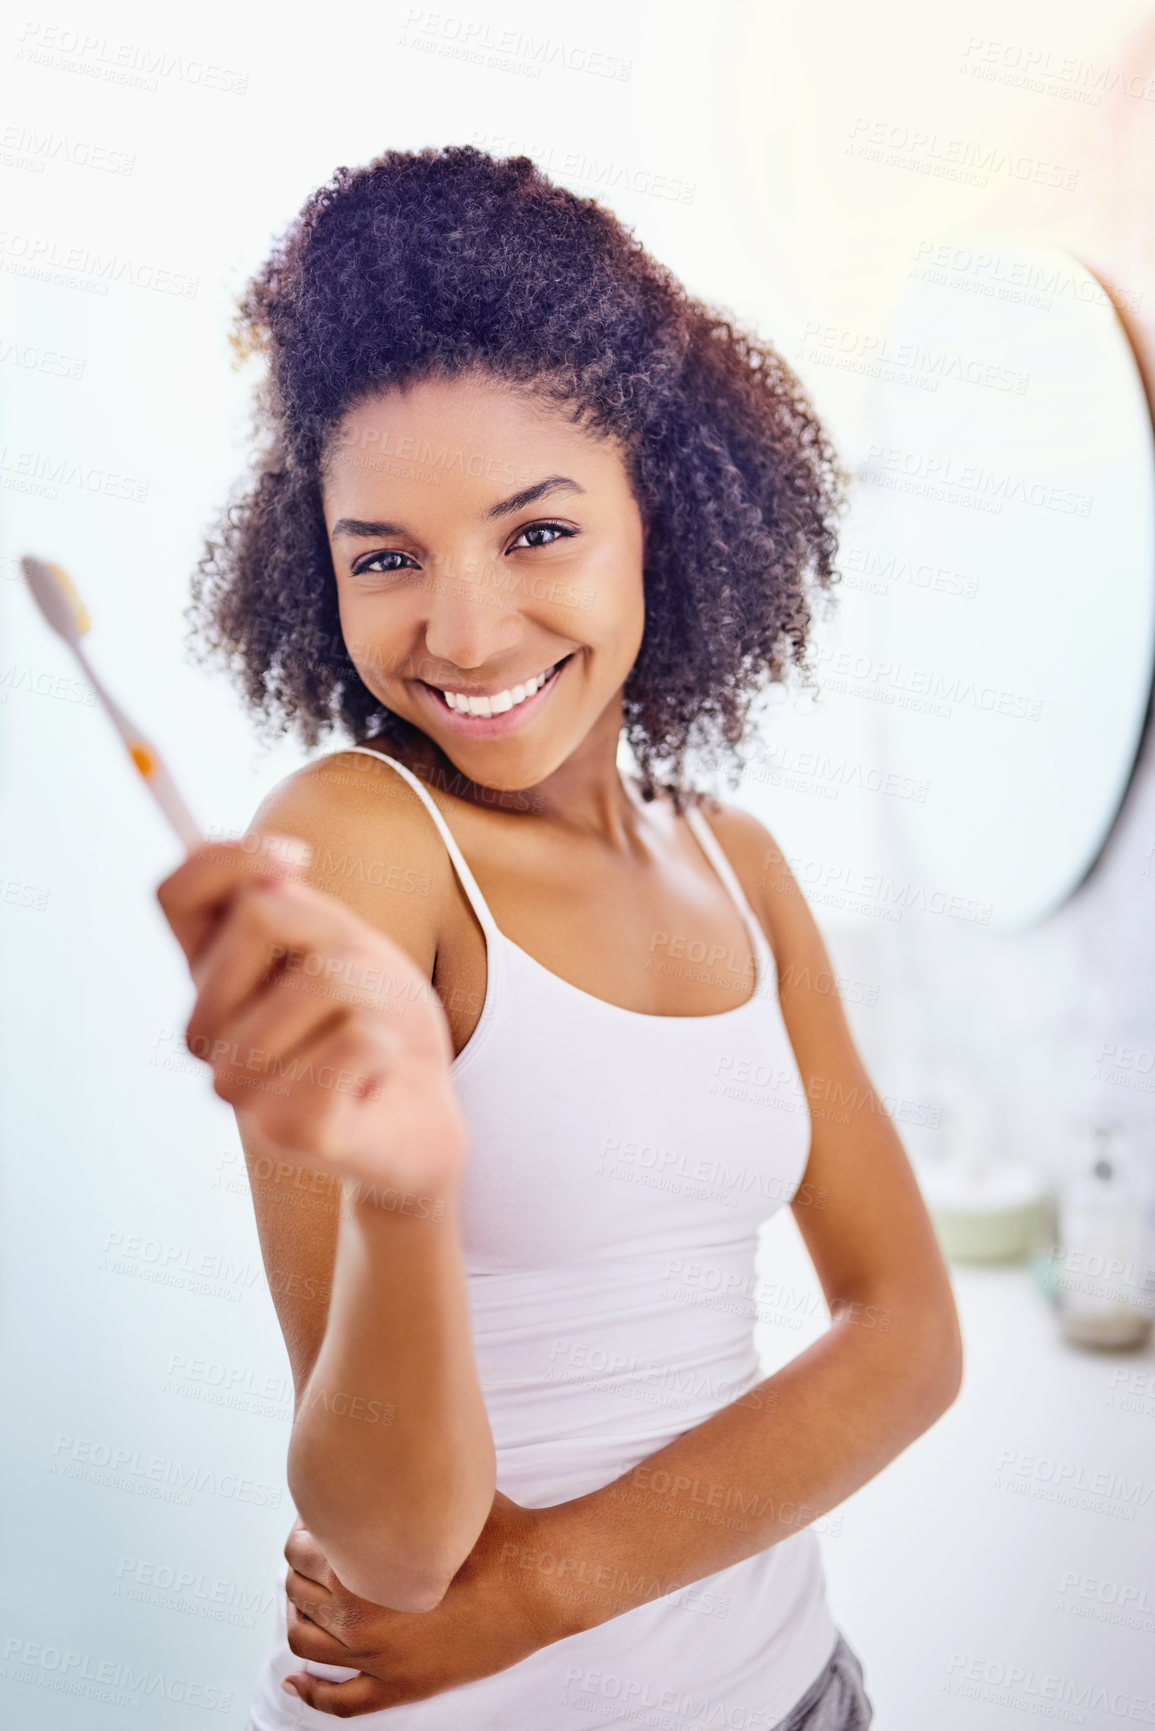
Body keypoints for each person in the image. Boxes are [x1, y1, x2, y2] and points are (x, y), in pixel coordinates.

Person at [156, 144, 963, 1728]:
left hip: (798, 1692)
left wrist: (538, 1593)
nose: (462, 633)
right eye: (385, 557)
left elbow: (912, 1337)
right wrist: (407, 1201)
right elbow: (389, 1550)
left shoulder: (738, 866)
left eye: (536, 532)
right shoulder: (364, 846)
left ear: (658, 508)